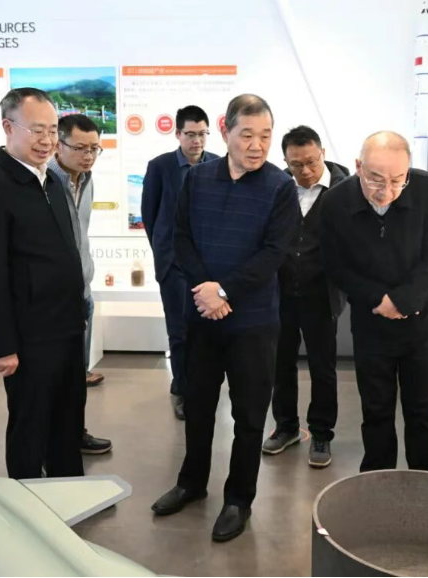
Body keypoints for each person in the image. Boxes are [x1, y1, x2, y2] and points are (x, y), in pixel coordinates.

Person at [151, 94, 297, 542]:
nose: (257, 145)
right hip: (202, 317)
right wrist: (206, 290)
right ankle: (191, 483)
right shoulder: (197, 179)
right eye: (247, 135)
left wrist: (225, 291)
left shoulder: (279, 186)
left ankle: (238, 499)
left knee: (249, 416)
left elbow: (275, 252)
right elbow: (180, 237)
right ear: (225, 131)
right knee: (197, 406)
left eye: (265, 136)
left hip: (253, 323)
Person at [0, 88, 87, 479]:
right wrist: (2, 345)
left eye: (52, 130)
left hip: (66, 328)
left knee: (68, 423)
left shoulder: (52, 182)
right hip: (28, 338)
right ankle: (25, 500)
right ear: (8, 127)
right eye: (37, 130)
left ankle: (68, 493)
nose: (47, 140)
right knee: (30, 427)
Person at [320, 131, 428, 473]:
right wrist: (378, 298)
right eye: (376, 180)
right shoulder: (336, 202)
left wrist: (403, 299)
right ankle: (377, 485)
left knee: (421, 412)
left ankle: (425, 485)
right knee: (376, 411)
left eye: (398, 180)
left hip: (421, 321)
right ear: (358, 166)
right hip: (371, 322)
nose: (387, 191)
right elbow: (335, 264)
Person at [261, 126, 348, 468]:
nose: (305, 170)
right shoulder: (279, 187)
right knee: (280, 364)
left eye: (311, 161)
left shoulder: (344, 190)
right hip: (281, 292)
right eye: (296, 164)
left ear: (322, 153)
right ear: (286, 161)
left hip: (321, 294)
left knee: (322, 367)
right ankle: (286, 427)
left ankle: (322, 433)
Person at [142, 105, 220, 421]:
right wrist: (164, 254)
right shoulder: (160, 166)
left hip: (208, 266)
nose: (196, 140)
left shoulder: (218, 164)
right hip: (173, 265)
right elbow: (150, 215)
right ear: (177, 134)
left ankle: (199, 383)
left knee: (205, 331)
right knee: (179, 331)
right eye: (190, 134)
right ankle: (185, 391)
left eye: (202, 134)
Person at [48, 113, 112, 455]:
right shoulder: (44, 182)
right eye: (80, 148)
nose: (88, 156)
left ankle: (75, 433)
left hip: (81, 292)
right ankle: (50, 443)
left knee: (77, 374)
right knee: (52, 377)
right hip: (53, 299)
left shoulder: (86, 180)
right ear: (59, 145)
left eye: (94, 148)